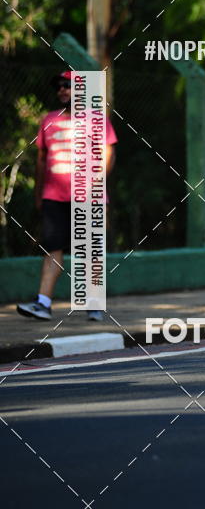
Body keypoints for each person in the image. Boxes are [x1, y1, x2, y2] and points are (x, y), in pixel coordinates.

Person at [17, 71, 117, 321]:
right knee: (52, 247)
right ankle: (43, 303)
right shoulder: (48, 120)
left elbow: (108, 153)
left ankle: (94, 302)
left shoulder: (97, 120)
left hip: (89, 196)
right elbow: (41, 160)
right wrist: (39, 193)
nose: (62, 90)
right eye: (59, 86)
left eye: (68, 85)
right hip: (54, 195)